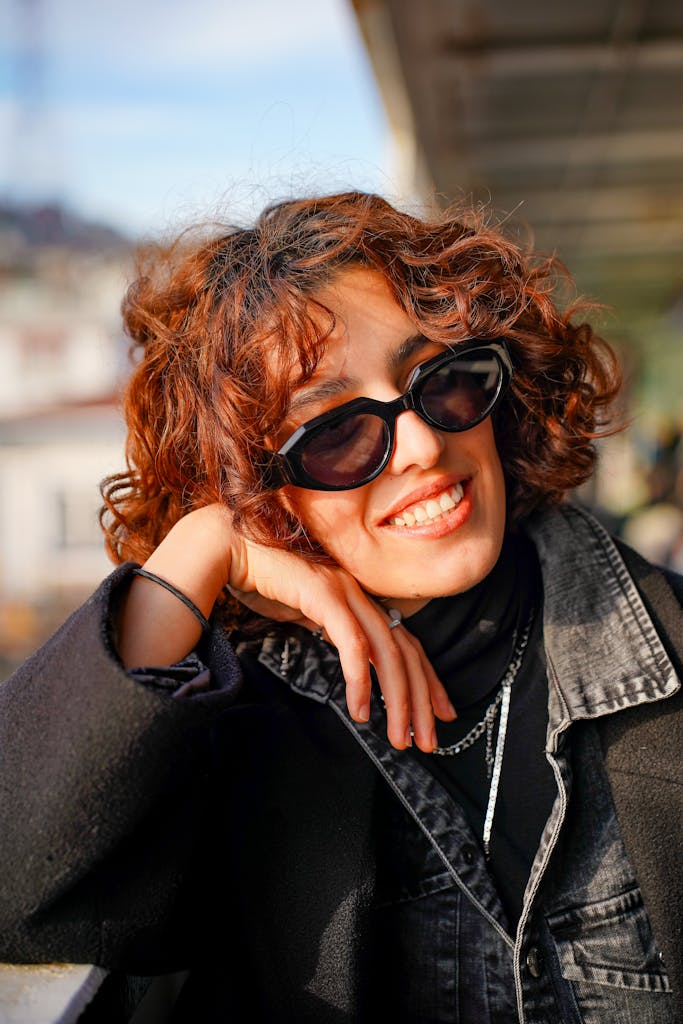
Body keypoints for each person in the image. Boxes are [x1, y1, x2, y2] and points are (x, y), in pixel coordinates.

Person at [0, 191, 681, 1024]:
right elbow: (16, 885)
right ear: (263, 495)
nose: (426, 446)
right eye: (334, 433)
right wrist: (201, 550)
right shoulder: (234, 722)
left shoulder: (667, 644)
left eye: (444, 378)